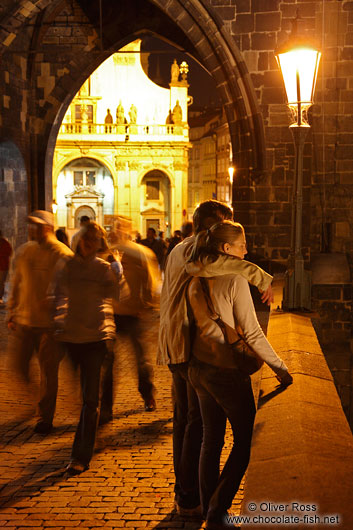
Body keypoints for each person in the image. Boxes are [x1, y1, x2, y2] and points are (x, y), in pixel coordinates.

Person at [157, 200, 274, 517]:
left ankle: (189, 496)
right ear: (211, 227)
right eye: (226, 224)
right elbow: (230, 270)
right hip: (189, 346)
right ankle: (194, 498)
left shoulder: (179, 248)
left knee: (187, 421)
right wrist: (264, 279)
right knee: (197, 424)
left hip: (175, 343)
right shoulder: (199, 253)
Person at [187, 221, 293, 529]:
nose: (246, 250)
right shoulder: (233, 279)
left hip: (198, 366)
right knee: (246, 440)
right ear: (225, 249)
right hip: (225, 368)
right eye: (241, 244)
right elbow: (254, 333)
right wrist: (282, 370)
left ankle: (210, 508)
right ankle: (217, 511)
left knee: (211, 439)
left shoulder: (193, 275)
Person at [52, 221, 120, 474]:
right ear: (79, 240)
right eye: (87, 238)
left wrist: (118, 272)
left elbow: (116, 297)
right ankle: (87, 433)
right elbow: (57, 295)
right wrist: (58, 322)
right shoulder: (66, 266)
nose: (90, 243)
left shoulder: (104, 268)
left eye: (95, 239)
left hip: (97, 339)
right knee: (81, 398)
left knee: (90, 400)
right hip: (71, 338)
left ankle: (80, 456)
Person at [6, 210, 73, 434]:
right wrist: (11, 311)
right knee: (18, 366)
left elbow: (71, 287)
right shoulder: (25, 250)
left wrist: (62, 312)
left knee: (48, 371)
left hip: (50, 325)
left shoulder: (61, 253)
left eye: (34, 226)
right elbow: (16, 282)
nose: (30, 229)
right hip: (26, 320)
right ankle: (37, 400)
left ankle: (45, 417)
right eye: (30, 226)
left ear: (46, 228)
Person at [100, 219, 159, 420]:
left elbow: (150, 280)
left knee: (140, 359)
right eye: (114, 227)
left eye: (120, 227)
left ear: (127, 230)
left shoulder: (139, 252)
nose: (116, 231)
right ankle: (106, 406)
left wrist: (146, 303)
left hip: (133, 313)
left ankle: (147, 394)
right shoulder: (107, 253)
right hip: (112, 313)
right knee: (108, 363)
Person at [0, 229, 12, 304]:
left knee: (1, 283)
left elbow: (9, 252)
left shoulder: (4, 243)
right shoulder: (5, 243)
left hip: (3, 267)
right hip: (4, 266)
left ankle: (0, 297)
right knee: (1, 283)